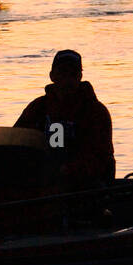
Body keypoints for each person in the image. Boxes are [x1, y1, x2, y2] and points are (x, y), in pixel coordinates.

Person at [15, 49, 115, 187]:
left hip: (85, 187)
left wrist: (66, 170)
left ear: (80, 76)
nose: (67, 79)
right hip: (42, 182)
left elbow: (100, 157)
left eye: (72, 74)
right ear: (52, 76)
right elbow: (15, 141)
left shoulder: (96, 112)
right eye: (62, 72)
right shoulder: (37, 107)